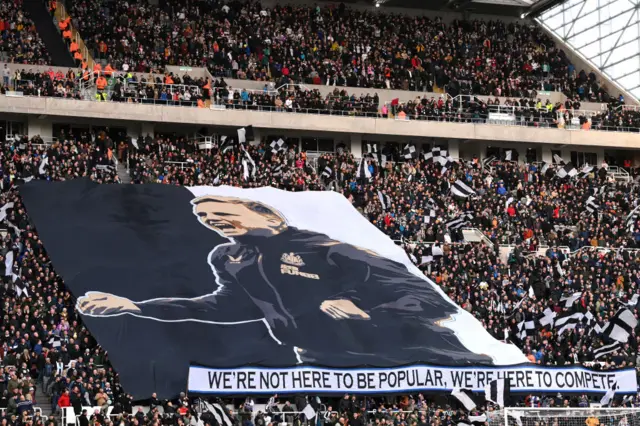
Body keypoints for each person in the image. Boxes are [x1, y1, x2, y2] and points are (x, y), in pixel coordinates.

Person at [76, 195, 491, 366]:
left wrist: (369, 313)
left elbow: (430, 299)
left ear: (270, 216)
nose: (210, 220)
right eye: (203, 217)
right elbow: (225, 307)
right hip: (319, 358)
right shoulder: (229, 257)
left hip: (407, 352)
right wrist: (137, 307)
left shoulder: (327, 248)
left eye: (219, 210)